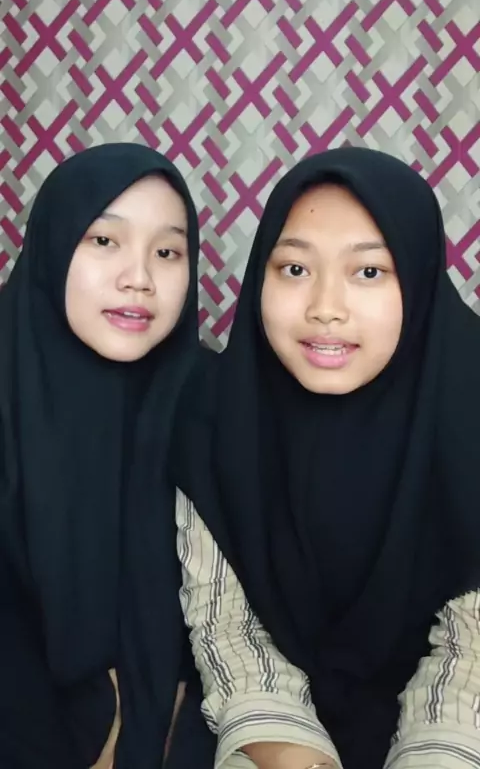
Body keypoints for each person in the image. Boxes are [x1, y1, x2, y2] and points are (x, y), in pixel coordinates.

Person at [173, 147, 480, 769]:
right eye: (294, 269)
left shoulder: (469, 403)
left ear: (419, 278)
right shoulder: (213, 411)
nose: (325, 307)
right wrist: (297, 757)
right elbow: (227, 627)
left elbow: (472, 650)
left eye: (368, 272)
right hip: (264, 721)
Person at [0, 143, 215, 768]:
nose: (138, 277)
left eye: (167, 252)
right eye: (103, 240)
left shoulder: (213, 401)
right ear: (53, 242)